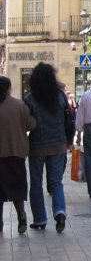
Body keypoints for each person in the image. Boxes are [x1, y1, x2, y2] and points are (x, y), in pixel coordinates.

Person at [24, 62, 74, 233]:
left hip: (37, 146)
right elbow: (70, 119)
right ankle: (60, 213)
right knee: (56, 182)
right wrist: (69, 140)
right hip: (58, 144)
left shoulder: (30, 99)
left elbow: (26, 123)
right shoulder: (60, 96)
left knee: (36, 183)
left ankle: (40, 219)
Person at [0, 76, 36, 234]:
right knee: (17, 186)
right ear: (8, 89)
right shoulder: (19, 105)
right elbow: (30, 124)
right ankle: (21, 214)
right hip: (16, 152)